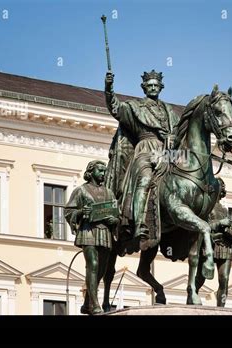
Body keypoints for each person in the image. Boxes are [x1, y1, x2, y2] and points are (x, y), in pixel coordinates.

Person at [104, 70, 180, 244]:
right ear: (143, 88)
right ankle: (139, 224)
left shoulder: (170, 112)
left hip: (168, 153)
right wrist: (109, 87)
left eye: (156, 85)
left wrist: (173, 139)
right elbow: (115, 107)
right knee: (145, 180)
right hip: (145, 149)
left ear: (161, 87)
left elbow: (179, 133)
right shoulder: (134, 107)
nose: (153, 88)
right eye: (149, 85)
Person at [65, 160, 119, 315]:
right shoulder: (81, 191)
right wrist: (82, 212)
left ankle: (87, 302)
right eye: (100, 171)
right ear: (91, 172)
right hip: (88, 231)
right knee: (93, 265)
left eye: (104, 171)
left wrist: (114, 221)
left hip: (104, 232)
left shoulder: (109, 192)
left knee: (101, 269)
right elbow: (69, 211)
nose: (103, 174)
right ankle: (95, 305)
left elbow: (117, 215)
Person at [196, 178, 232, 307]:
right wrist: (220, 223)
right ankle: (193, 294)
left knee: (224, 279)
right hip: (209, 245)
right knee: (200, 279)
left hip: (226, 246)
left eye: (220, 188)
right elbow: (202, 226)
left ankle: (221, 308)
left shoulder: (224, 209)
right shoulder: (205, 206)